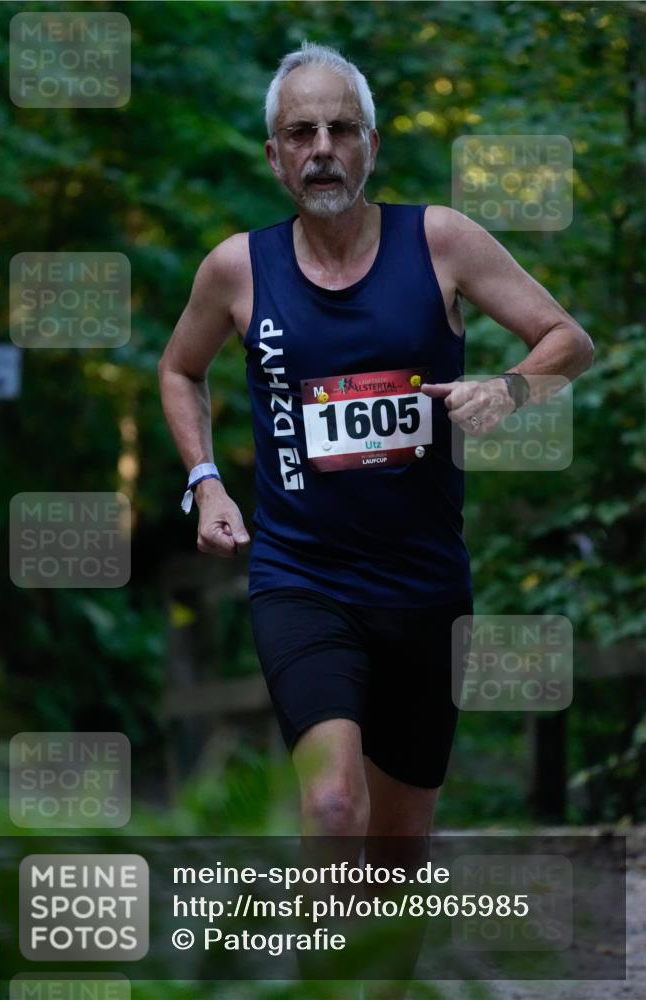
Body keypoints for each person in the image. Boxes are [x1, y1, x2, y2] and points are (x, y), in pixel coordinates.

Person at [159, 41, 593, 995]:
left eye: (339, 129)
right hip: (301, 579)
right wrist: (206, 480)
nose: (321, 148)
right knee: (331, 802)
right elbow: (177, 368)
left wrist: (511, 390)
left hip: (425, 588)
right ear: (274, 156)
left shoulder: (439, 241)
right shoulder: (238, 269)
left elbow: (569, 338)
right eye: (300, 132)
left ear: (371, 146)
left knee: (397, 844)